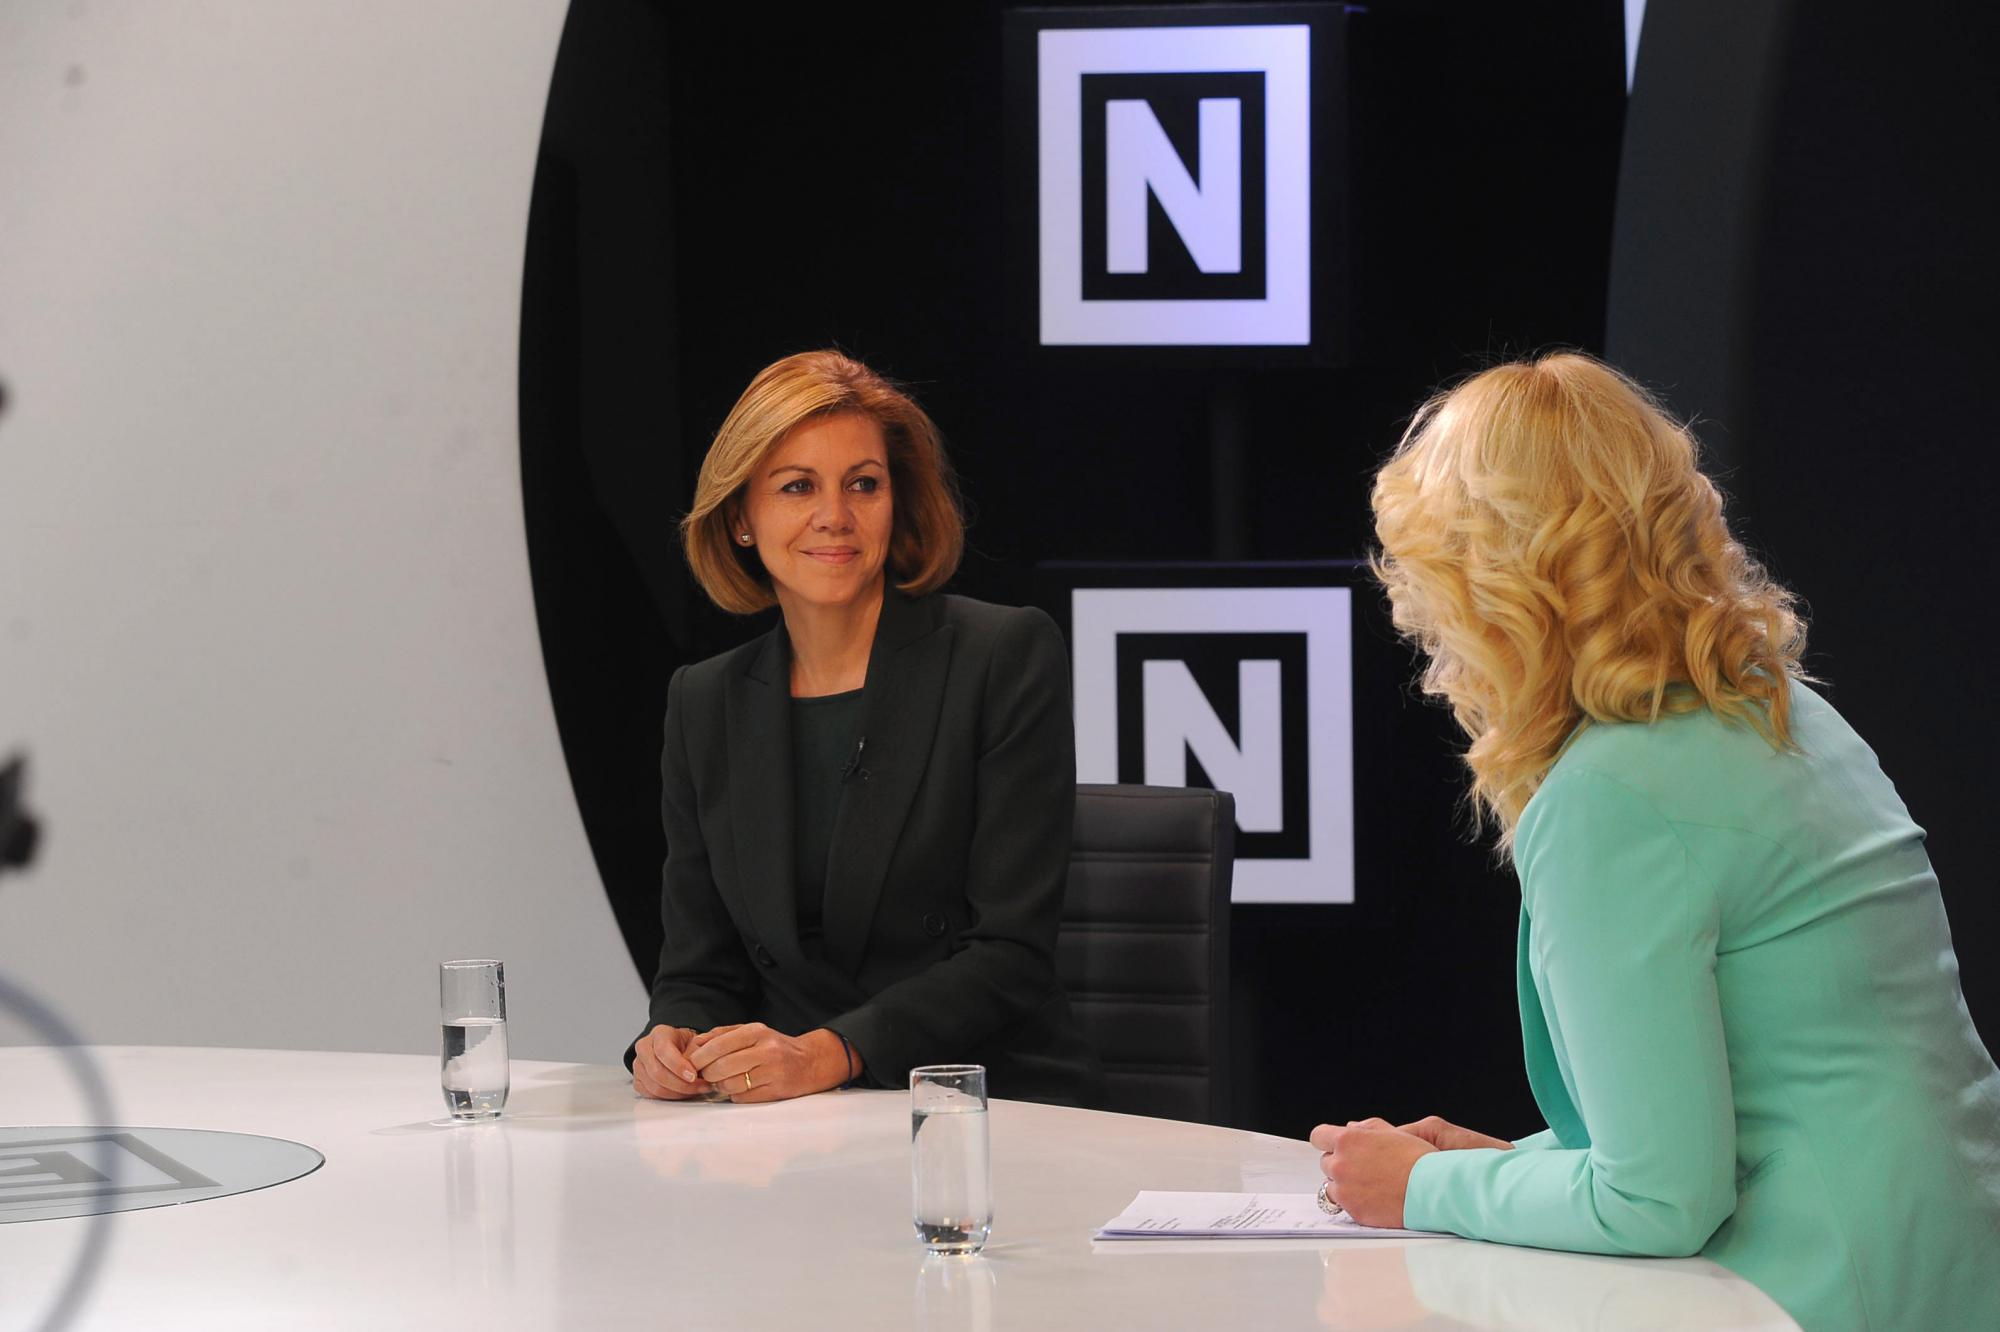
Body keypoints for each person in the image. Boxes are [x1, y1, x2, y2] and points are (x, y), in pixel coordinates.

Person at [1316, 353, 2000, 1331]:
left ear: (1487, 587)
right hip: (1944, 1261)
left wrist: (1420, 1188)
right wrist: (1500, 1171)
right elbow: (1779, 1098)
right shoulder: (1780, 710)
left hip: (1816, 1292)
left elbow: (1657, 1201)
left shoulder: (1610, 794)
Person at [626, 350, 1098, 1107]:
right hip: (790, 1116)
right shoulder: (704, 700)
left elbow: (1009, 954)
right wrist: (672, 1040)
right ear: (741, 517)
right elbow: (700, 968)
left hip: (979, 1098)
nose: (835, 517)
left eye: (864, 484)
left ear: (896, 502)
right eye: (797, 486)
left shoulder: (1001, 655)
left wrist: (829, 1054)